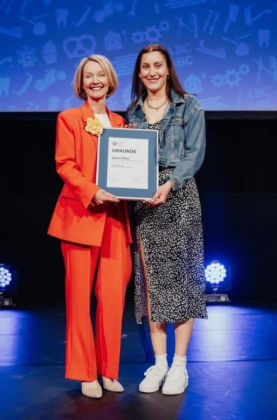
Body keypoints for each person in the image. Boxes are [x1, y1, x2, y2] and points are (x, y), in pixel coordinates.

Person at [47, 54, 132, 399]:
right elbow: (65, 165)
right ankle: (85, 373)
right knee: (79, 300)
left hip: (115, 220)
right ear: (81, 84)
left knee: (112, 297)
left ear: (110, 80)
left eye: (100, 75)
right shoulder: (69, 118)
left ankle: (108, 369)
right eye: (88, 76)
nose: (95, 81)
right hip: (80, 217)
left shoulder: (122, 122)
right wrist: (92, 191)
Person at [125, 44, 208, 395]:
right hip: (145, 201)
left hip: (180, 196)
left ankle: (179, 366)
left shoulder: (189, 105)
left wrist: (170, 183)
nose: (152, 72)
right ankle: (159, 363)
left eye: (158, 65)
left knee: (181, 282)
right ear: (139, 73)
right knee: (152, 283)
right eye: (146, 67)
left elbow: (195, 154)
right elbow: (127, 160)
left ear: (168, 69)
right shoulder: (132, 112)